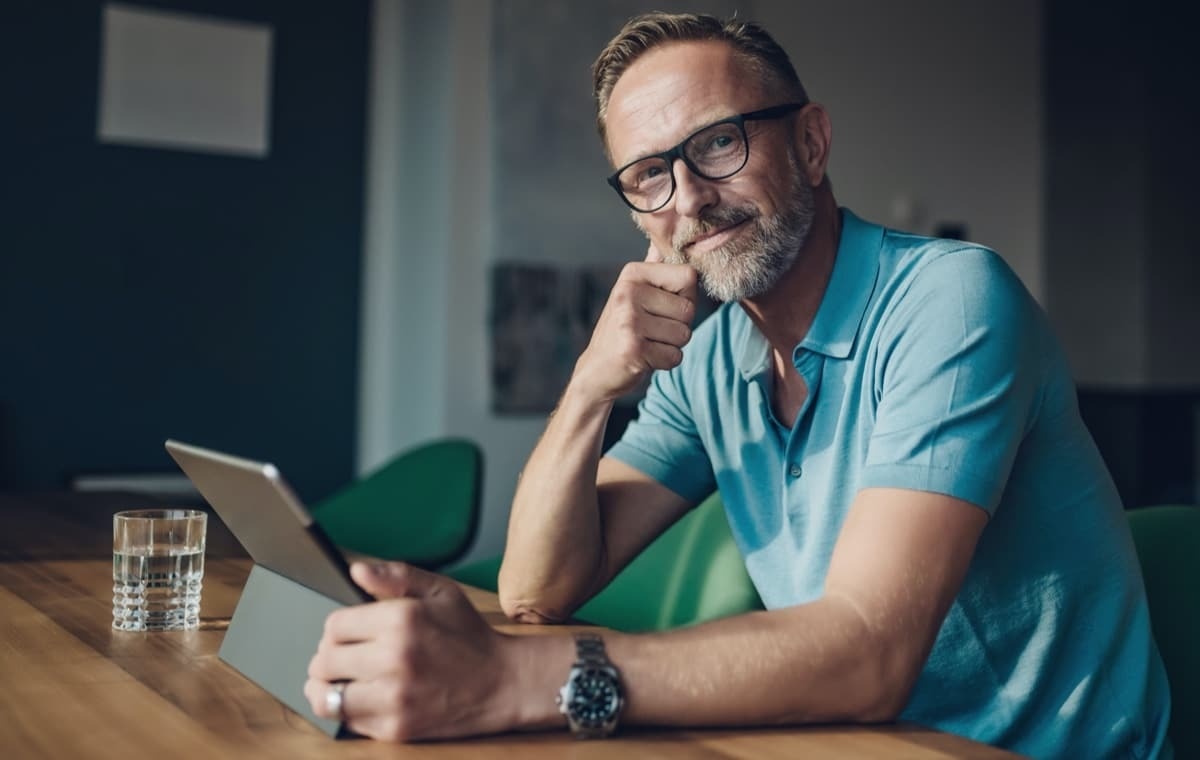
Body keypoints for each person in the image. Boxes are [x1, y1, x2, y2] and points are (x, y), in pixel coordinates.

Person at [304, 12, 1172, 757]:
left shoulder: (951, 300)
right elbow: (538, 591)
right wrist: (588, 391)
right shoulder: (713, 360)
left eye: (719, 142)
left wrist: (513, 679)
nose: (688, 198)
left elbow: (870, 649)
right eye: (649, 174)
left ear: (812, 141)